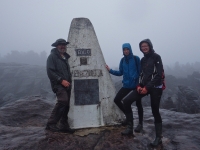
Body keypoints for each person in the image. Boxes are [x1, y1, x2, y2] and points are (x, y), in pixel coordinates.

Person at [122, 39, 164, 147]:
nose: (144, 48)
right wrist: (139, 86)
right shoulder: (143, 59)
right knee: (126, 101)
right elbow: (141, 74)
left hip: (155, 87)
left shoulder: (156, 57)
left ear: (150, 46)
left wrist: (147, 87)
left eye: (146, 46)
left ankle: (158, 137)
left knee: (155, 110)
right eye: (142, 46)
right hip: (144, 86)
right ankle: (130, 128)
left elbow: (158, 75)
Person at [105, 43, 142, 133]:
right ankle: (129, 118)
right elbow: (120, 72)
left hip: (136, 86)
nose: (126, 51)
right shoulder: (122, 61)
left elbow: (141, 72)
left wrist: (140, 84)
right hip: (126, 85)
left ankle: (140, 124)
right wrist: (110, 70)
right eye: (124, 50)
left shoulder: (136, 58)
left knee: (138, 104)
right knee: (117, 100)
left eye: (127, 49)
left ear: (130, 49)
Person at [46, 38, 75, 133]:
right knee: (63, 101)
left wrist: (69, 82)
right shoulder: (52, 57)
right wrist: (61, 81)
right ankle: (51, 123)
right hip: (58, 85)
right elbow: (50, 72)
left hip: (67, 85)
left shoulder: (65, 57)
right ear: (56, 46)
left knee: (67, 105)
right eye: (60, 44)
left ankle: (64, 124)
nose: (63, 46)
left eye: (64, 44)